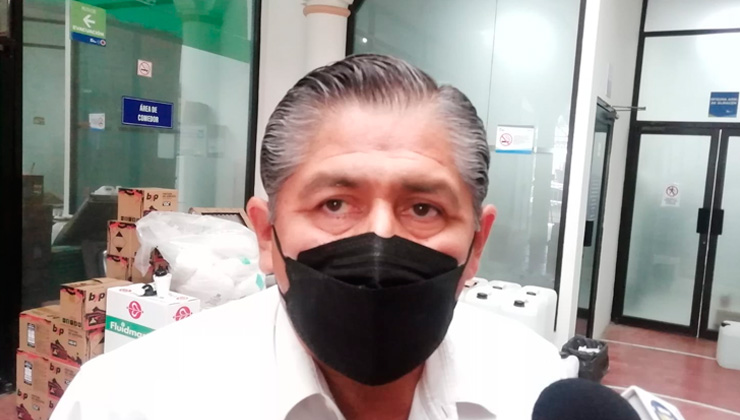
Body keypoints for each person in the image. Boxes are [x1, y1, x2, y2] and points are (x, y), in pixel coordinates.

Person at [51, 54, 564, 420]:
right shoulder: (126, 403)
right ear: (266, 234)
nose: (380, 238)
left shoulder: (536, 389)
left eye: (423, 209)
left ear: (477, 243)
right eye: (334, 204)